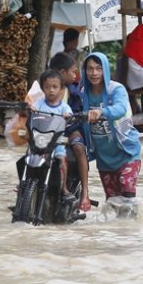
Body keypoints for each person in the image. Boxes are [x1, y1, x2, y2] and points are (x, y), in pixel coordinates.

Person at [80, 53, 143, 206]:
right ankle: (117, 230)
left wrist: (102, 112)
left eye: (98, 69)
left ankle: (131, 229)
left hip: (126, 152)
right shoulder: (83, 93)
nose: (94, 73)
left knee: (128, 196)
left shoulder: (116, 89)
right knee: (113, 202)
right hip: (104, 158)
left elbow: (121, 109)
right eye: (90, 69)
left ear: (106, 70)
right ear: (85, 71)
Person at [48, 52, 92, 211]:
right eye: (73, 71)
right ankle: (25, 184)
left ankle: (85, 192)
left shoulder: (75, 90)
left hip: (71, 129)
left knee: (79, 148)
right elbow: (33, 101)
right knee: (32, 147)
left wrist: (79, 116)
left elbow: (81, 109)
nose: (75, 75)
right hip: (49, 131)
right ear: (62, 72)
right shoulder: (45, 88)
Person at [31, 69, 75, 200]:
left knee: (61, 159)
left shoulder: (64, 107)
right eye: (47, 87)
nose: (51, 90)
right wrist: (30, 109)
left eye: (55, 87)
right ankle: (24, 184)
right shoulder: (38, 104)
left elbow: (71, 119)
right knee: (28, 158)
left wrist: (68, 117)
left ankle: (64, 187)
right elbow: (31, 112)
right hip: (40, 140)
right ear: (42, 88)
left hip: (56, 142)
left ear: (61, 89)